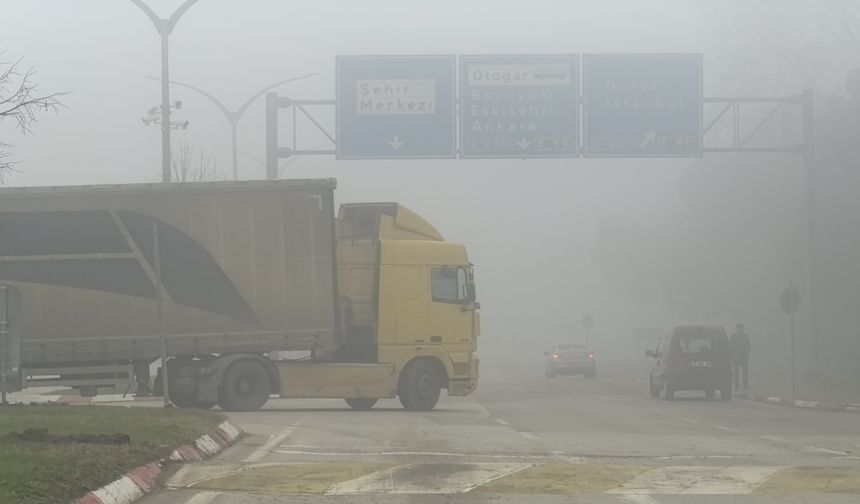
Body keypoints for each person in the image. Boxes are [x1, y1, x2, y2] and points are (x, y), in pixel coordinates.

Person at [729, 324, 751, 390]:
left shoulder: (745, 336)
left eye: (741, 328)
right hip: (735, 358)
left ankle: (746, 386)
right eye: (739, 328)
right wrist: (731, 355)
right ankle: (736, 386)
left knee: (745, 372)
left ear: (742, 329)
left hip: (744, 357)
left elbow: (749, 346)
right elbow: (729, 346)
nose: (740, 330)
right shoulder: (733, 336)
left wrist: (747, 354)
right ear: (737, 329)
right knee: (736, 373)